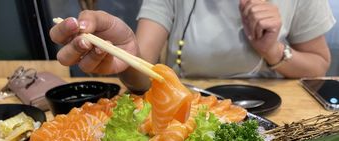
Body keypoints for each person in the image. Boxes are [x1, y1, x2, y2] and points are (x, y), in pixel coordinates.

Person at [50, 0, 336, 92]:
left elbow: (318, 67)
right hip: (186, 103)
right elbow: (141, 70)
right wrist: (125, 53)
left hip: (271, 107)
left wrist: (271, 49)